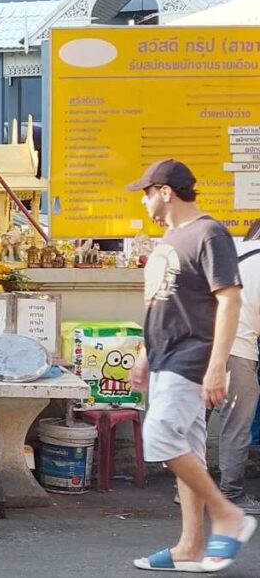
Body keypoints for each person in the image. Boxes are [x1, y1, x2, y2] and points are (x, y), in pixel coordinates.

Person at [127, 159, 256, 572]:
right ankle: (189, 545)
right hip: (166, 356)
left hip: (192, 356)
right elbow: (162, 304)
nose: (144, 201)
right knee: (189, 452)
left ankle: (227, 515)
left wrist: (218, 365)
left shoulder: (209, 232)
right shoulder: (169, 238)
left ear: (165, 191)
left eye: (146, 193)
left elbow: (230, 298)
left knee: (160, 437)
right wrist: (146, 356)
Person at [218, 220, 260, 514]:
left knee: (195, 421)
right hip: (235, 346)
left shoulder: (233, 250)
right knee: (236, 422)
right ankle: (231, 493)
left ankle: (186, 490)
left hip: (194, 343)